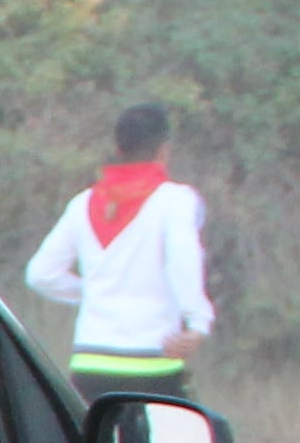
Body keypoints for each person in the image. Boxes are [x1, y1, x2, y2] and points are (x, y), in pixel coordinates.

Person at [24, 100, 214, 387]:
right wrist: (198, 322)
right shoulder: (176, 200)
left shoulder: (82, 203)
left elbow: (40, 274)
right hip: (154, 362)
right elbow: (183, 259)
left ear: (118, 149)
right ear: (164, 149)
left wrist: (95, 291)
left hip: (90, 362)